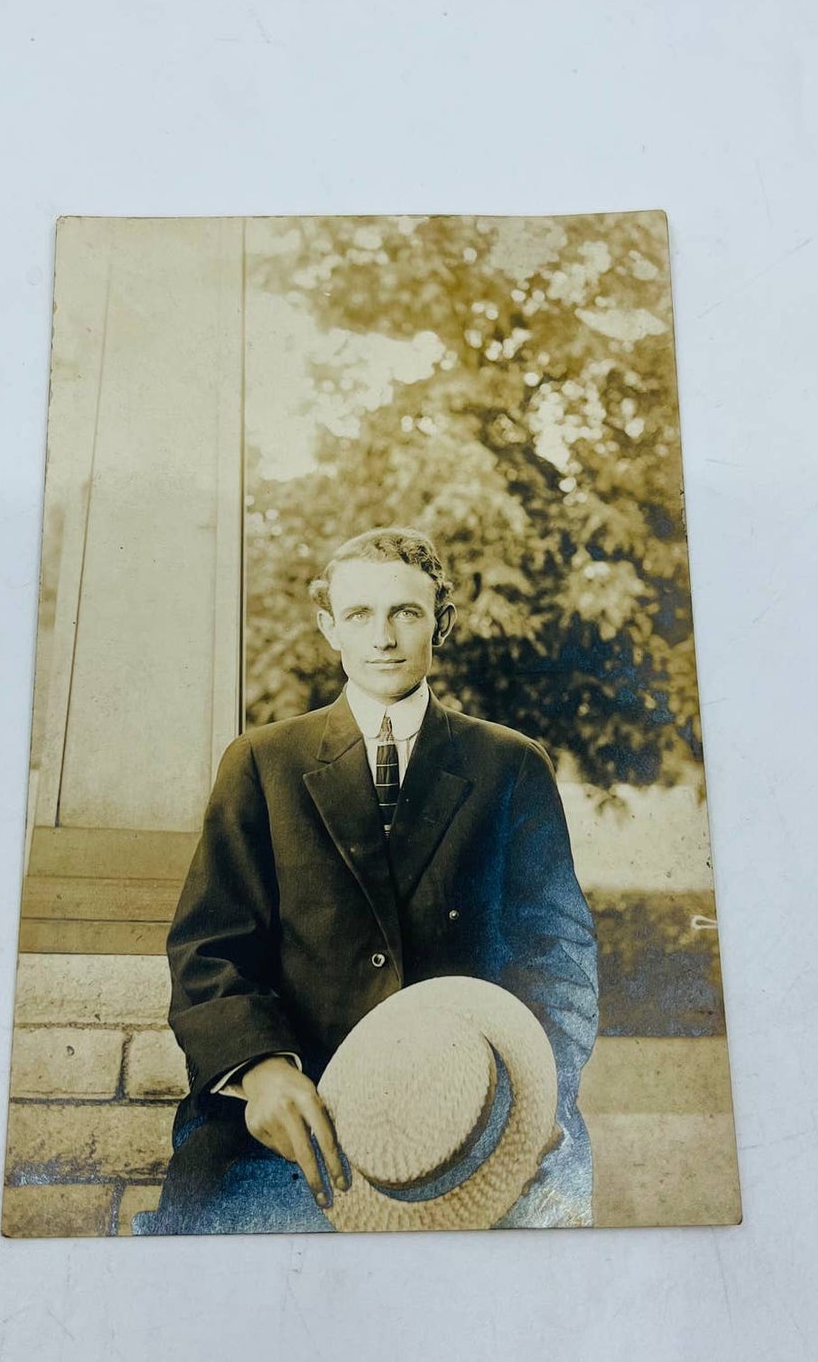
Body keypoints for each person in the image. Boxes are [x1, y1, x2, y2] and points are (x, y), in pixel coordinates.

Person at [143, 527, 599, 1233]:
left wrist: (539, 1094)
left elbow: (559, 957)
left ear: (439, 623)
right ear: (329, 626)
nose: (382, 636)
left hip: (475, 1112)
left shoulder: (509, 765)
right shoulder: (263, 763)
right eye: (359, 614)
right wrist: (258, 1066)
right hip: (302, 1115)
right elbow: (209, 949)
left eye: (405, 613)